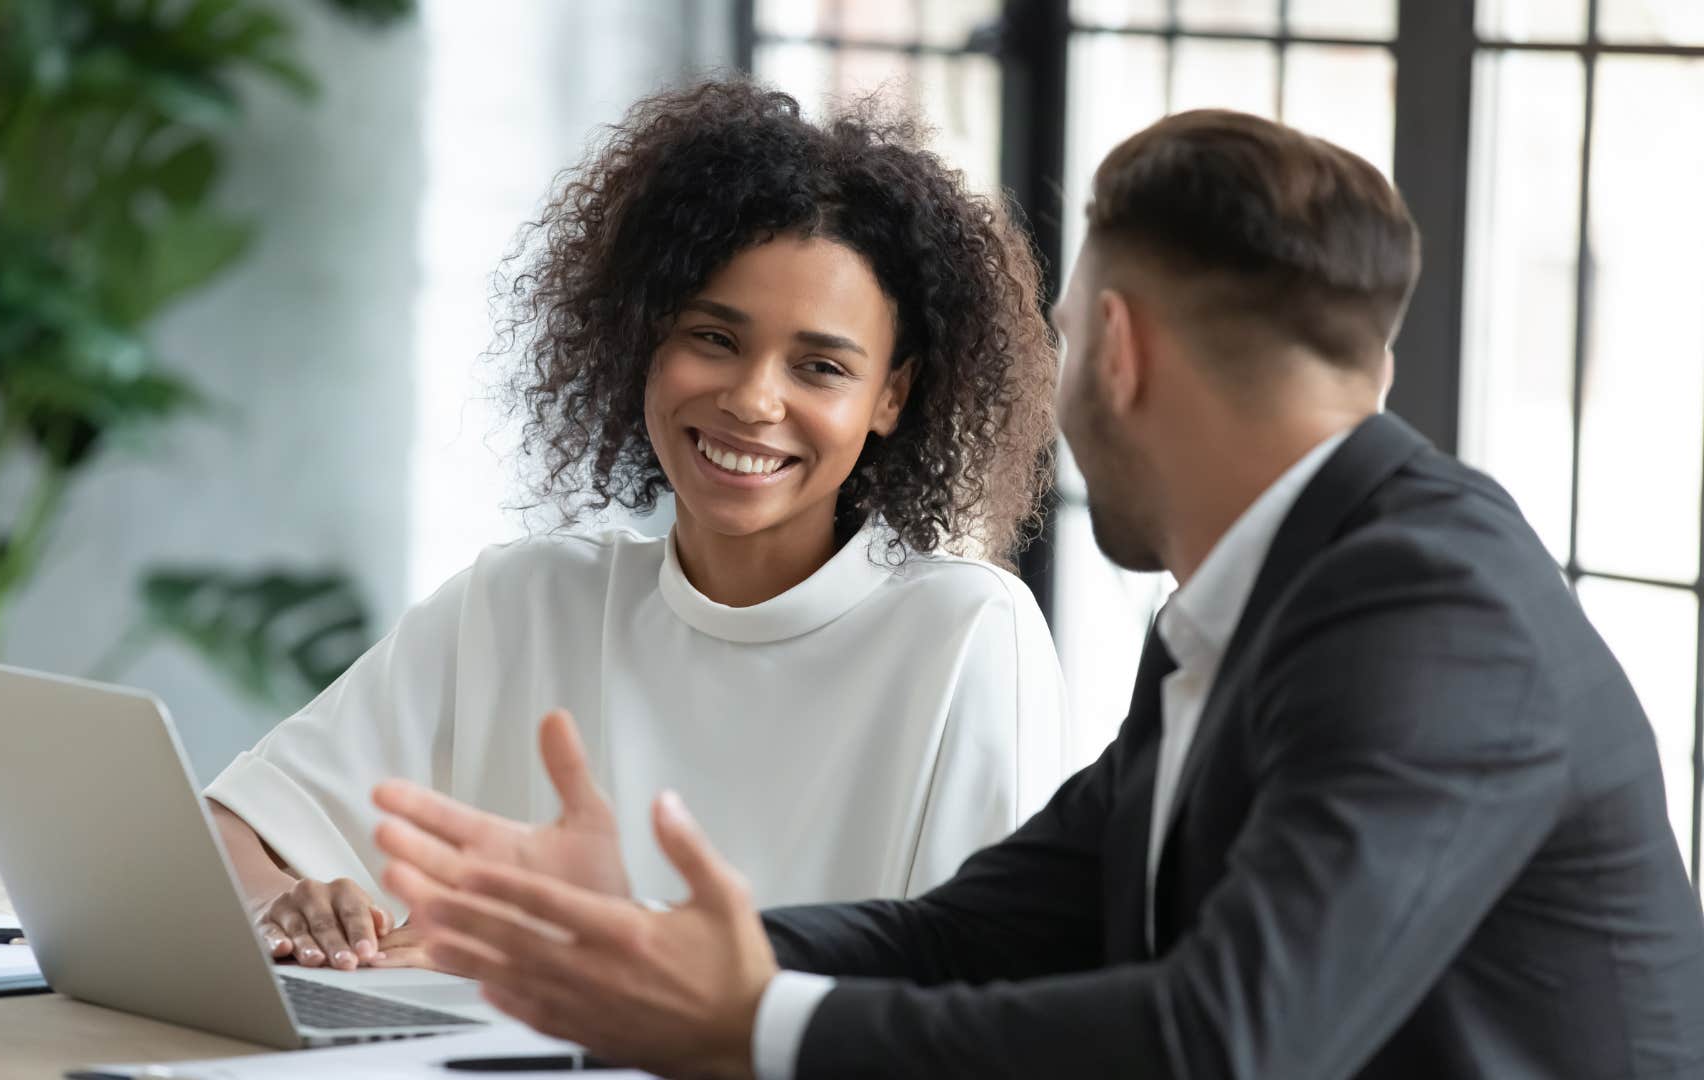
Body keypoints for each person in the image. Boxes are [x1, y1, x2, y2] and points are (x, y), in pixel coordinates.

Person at [370, 109, 1704, 1078]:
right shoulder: (1259, 607)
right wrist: (636, 947)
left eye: (1062, 341)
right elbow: (980, 933)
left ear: (1115, 350)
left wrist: (757, 1024)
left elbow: (1223, 1042)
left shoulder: (1433, 617)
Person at [202, 78, 1067, 974]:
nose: (753, 400)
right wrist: (282, 906)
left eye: (819, 367)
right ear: (645, 338)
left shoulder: (966, 636)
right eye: (715, 339)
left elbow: (979, 997)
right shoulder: (523, 601)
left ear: (892, 395)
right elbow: (224, 830)